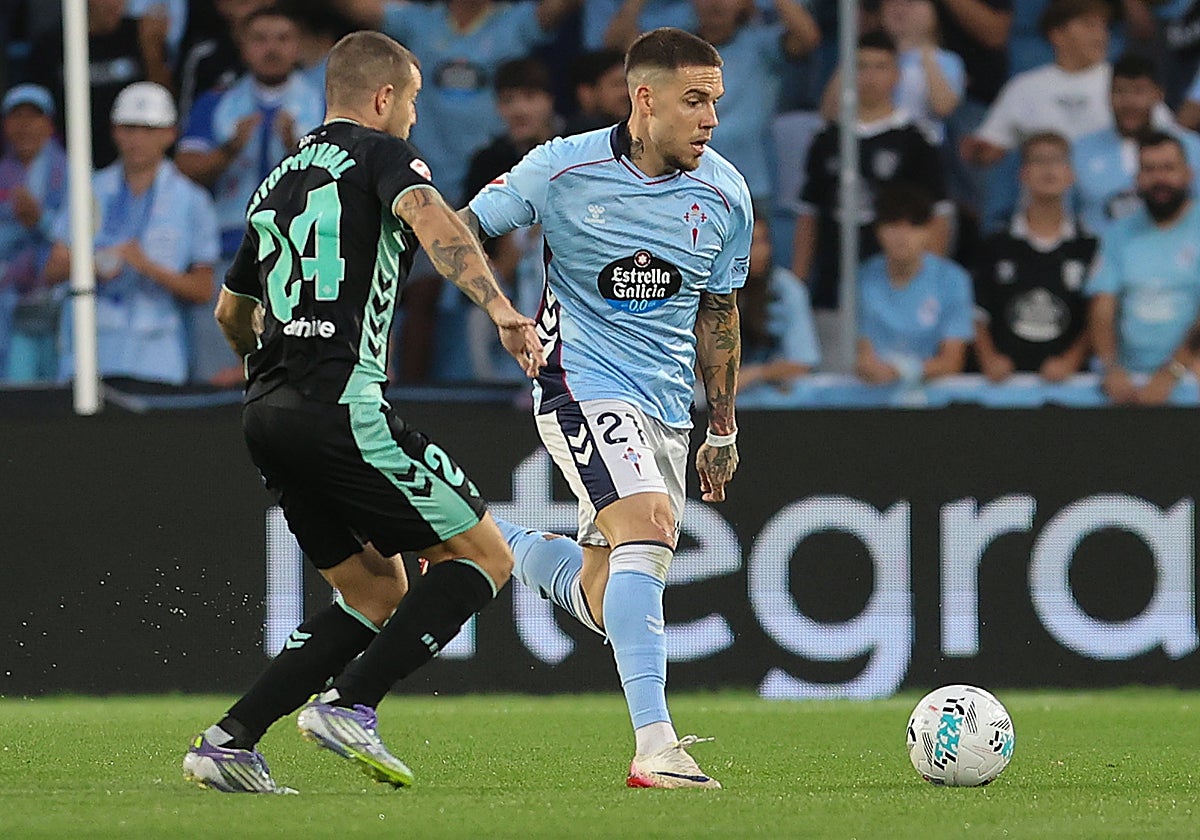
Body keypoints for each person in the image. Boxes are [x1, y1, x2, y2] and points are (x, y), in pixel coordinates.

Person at [183, 30, 544, 794]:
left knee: (377, 593)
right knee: (484, 555)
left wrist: (276, 359)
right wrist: (504, 312)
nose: (413, 116)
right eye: (411, 100)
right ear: (384, 97)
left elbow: (229, 312)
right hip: (341, 404)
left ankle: (229, 741)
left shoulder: (276, 179)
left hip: (266, 411)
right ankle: (350, 703)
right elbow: (436, 224)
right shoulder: (383, 155)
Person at [463, 27, 753, 789]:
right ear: (644, 99)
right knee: (650, 526)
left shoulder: (723, 194)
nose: (710, 120)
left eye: (716, 103)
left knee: (606, 591)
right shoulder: (561, 170)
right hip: (578, 382)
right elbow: (459, 227)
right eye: (694, 101)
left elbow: (718, 313)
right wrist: (498, 308)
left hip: (666, 407)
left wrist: (721, 425)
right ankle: (656, 746)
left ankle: (476, 535)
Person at [176, 4, 325, 384]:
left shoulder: (325, 103)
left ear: (299, 46)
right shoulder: (217, 101)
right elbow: (184, 168)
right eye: (259, 39)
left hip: (300, 257)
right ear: (242, 47)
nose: (271, 49)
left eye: (282, 39)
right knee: (222, 378)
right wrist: (227, 151)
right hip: (230, 250)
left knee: (295, 377)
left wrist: (299, 149)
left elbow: (347, 179)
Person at [49, 81, 218, 385]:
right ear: (114, 131)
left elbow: (203, 290)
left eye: (149, 129)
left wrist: (146, 266)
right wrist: (94, 265)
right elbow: (52, 269)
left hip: (159, 356)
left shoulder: (192, 201)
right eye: (128, 128)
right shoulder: (88, 191)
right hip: (91, 352)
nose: (137, 139)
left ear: (170, 134)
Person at [335, 0, 580, 204]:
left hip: (495, 176)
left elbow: (558, 7)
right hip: (427, 178)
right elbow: (358, 8)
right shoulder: (417, 21)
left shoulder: (515, 22)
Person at [793, 31, 950, 314]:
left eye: (881, 67)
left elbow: (937, 217)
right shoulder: (828, 138)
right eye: (862, 66)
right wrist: (799, 280)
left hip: (894, 288)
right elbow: (809, 215)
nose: (871, 76)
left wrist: (928, 282)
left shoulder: (916, 141)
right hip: (831, 282)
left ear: (897, 75)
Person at [606, 0, 820, 204]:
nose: (715, 3)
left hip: (748, 185)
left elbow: (807, 38)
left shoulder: (761, 46)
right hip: (681, 182)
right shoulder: (672, 50)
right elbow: (616, 46)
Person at [1087, 130, 1200, 405]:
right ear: (1137, 178)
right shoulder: (1118, 234)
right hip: (1129, 381)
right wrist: (1111, 367)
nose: (1159, 178)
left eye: (1168, 168)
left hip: (1190, 373)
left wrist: (1173, 371)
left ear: (1188, 174)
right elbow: (1102, 307)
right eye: (1149, 170)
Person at [974, 132, 1097, 381]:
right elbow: (976, 313)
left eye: (1057, 160)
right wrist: (989, 359)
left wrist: (1070, 362)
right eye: (1038, 161)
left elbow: (1098, 317)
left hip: (1071, 388)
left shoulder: (1089, 247)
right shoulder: (995, 245)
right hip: (1004, 387)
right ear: (1022, 174)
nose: (1048, 169)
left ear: (1071, 175)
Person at [855, 183, 975, 386]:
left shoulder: (953, 280)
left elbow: (952, 360)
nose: (902, 236)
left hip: (934, 401)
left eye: (914, 226)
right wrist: (869, 367)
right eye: (893, 225)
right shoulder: (862, 278)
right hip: (872, 396)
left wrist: (901, 371)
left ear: (929, 231)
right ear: (878, 231)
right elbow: (862, 352)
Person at [28, 0, 169, 168]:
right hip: (70, 162)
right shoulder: (53, 44)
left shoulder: (139, 35)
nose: (114, 5)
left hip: (132, 160)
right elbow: (37, 109)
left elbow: (165, 102)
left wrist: (152, 51)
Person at [1073, 52, 1200, 236]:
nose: (1129, 102)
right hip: (1098, 256)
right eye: (1120, 91)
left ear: (1158, 94)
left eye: (1139, 91)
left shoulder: (1192, 148)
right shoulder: (1079, 150)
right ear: (1108, 96)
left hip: (1176, 257)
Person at [0, 84, 67, 383]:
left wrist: (40, 220)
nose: (25, 126)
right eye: (16, 116)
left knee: (62, 396)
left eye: (33, 116)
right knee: (17, 394)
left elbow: (83, 234)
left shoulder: (72, 171)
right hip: (11, 308)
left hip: (59, 303)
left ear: (49, 124)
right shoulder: (3, 172)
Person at [737, 217, 820, 395]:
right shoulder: (707, 290)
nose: (761, 252)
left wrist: (753, 374)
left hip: (776, 398)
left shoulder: (787, 288)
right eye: (751, 244)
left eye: (764, 241)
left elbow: (802, 363)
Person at [563, 48, 632, 135]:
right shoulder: (577, 140)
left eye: (628, 84)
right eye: (616, 85)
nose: (625, 92)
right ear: (586, 93)